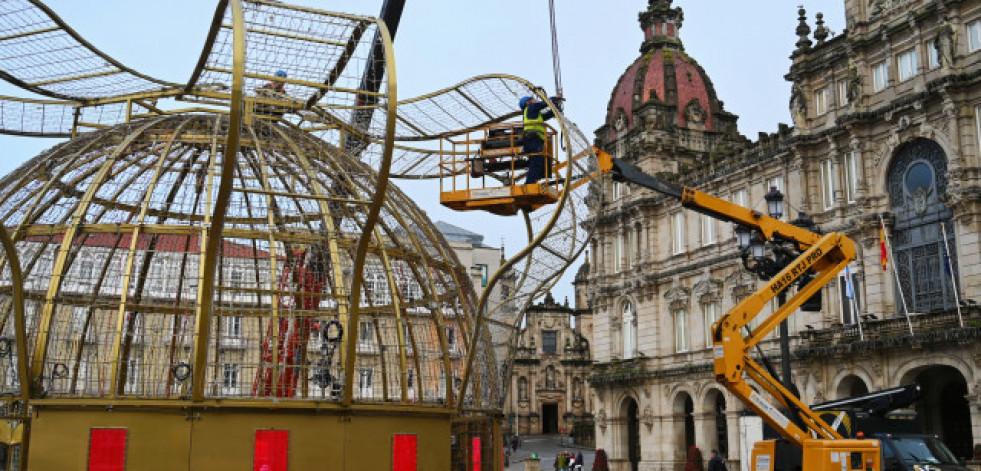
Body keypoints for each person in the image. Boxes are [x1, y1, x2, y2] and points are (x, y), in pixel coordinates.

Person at [519, 94, 561, 184]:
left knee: (538, 161)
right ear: (527, 102)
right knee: (536, 160)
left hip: (534, 140)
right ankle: (530, 183)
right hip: (532, 139)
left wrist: (556, 109)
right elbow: (543, 104)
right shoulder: (531, 108)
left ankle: (532, 181)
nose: (534, 100)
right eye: (532, 99)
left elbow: (548, 115)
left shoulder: (535, 114)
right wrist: (555, 98)